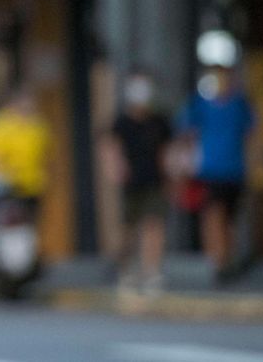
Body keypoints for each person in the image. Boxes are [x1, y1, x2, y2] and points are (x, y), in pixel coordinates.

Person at [179, 33, 255, 283]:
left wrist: (254, 164)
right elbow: (187, 131)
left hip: (234, 171)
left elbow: (252, 135)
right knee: (213, 215)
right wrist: (186, 162)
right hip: (209, 170)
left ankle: (228, 259)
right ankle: (218, 261)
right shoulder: (200, 103)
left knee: (229, 220)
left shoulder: (240, 103)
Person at [106, 70, 172, 294]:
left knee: (154, 224)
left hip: (155, 180)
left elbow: (167, 151)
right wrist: (115, 168)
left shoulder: (159, 121)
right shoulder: (122, 122)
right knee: (128, 228)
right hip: (131, 182)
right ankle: (126, 271)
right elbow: (111, 148)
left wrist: (172, 178)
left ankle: (152, 272)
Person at [0, 88, 50, 207]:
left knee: (28, 221)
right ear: (12, 103)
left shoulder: (37, 126)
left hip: (32, 187)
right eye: (23, 103)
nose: (27, 106)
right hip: (5, 188)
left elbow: (46, 155)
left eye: (29, 103)